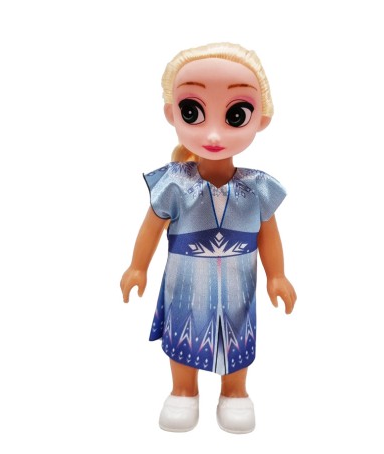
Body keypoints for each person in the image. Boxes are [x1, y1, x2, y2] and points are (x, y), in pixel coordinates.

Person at [121, 43, 296, 434]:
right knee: (184, 330)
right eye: (192, 112)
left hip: (239, 286)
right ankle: (183, 391)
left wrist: (276, 275)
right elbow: (151, 228)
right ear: (172, 113)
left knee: (238, 335)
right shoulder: (174, 185)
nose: (214, 133)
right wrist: (137, 267)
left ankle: (235, 392)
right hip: (185, 283)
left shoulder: (257, 189)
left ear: (261, 118)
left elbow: (269, 234)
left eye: (236, 115)